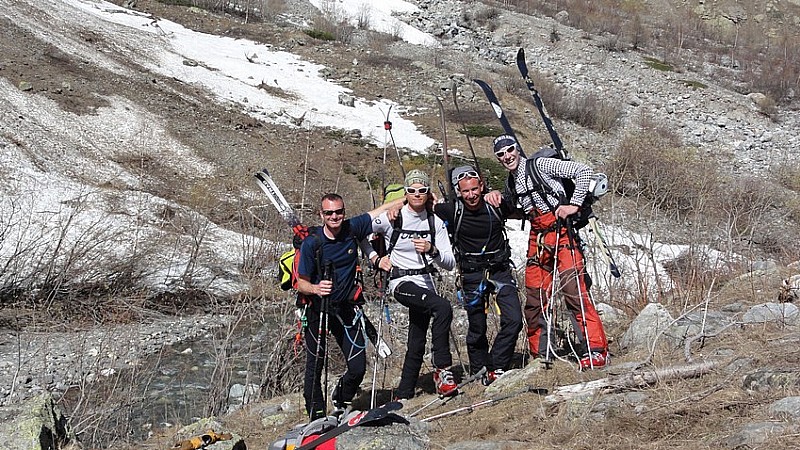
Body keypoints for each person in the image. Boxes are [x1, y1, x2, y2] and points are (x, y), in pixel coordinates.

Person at [490, 134, 609, 370]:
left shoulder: (540, 165)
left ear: (518, 149)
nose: (507, 156)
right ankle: (540, 355)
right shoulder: (511, 182)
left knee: (574, 291)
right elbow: (516, 209)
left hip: (562, 232)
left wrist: (574, 204)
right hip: (538, 238)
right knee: (535, 297)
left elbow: (583, 171)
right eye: (501, 154)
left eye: (510, 150)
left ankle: (595, 350)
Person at [296, 193, 400, 420]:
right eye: (329, 213)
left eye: (339, 212)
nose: (335, 217)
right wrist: (315, 289)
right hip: (318, 309)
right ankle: (316, 415)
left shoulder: (352, 228)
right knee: (316, 364)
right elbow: (300, 282)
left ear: (344, 211)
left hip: (346, 309)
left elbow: (382, 209)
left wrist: (419, 196)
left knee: (357, 366)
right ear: (321, 215)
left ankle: (340, 398)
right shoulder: (311, 244)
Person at [371, 169, 458, 399]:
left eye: (422, 190)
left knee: (417, 338)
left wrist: (432, 250)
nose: (417, 194)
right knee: (443, 307)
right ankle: (443, 370)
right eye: (411, 190)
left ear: (428, 192)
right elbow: (360, 230)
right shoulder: (393, 217)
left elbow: (449, 263)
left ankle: (404, 392)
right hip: (401, 282)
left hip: (425, 282)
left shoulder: (435, 221)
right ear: (406, 193)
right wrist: (375, 258)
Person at [433, 165, 523, 385]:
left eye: (475, 189)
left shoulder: (496, 205)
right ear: (458, 192)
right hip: (471, 274)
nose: (471, 195)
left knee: (514, 320)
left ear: (482, 186)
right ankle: (480, 371)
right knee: (477, 327)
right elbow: (416, 206)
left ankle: (497, 365)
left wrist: (500, 195)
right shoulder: (451, 210)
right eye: (466, 191)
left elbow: (519, 199)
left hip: (500, 270)